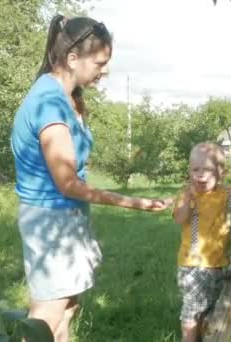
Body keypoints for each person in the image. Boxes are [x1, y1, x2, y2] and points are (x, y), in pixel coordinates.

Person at [10, 14, 172, 341]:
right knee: (44, 321)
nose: (105, 70)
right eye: (100, 62)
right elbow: (68, 183)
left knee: (67, 307)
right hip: (51, 223)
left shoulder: (66, 97)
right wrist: (132, 202)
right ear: (72, 59)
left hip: (64, 218)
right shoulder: (48, 105)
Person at [172, 142, 231, 342]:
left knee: (210, 308)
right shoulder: (187, 194)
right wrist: (189, 202)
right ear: (189, 171)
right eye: (195, 170)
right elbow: (179, 219)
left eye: (207, 169)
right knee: (192, 313)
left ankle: (204, 337)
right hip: (193, 267)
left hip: (219, 264)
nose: (200, 175)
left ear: (221, 172)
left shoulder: (228, 193)